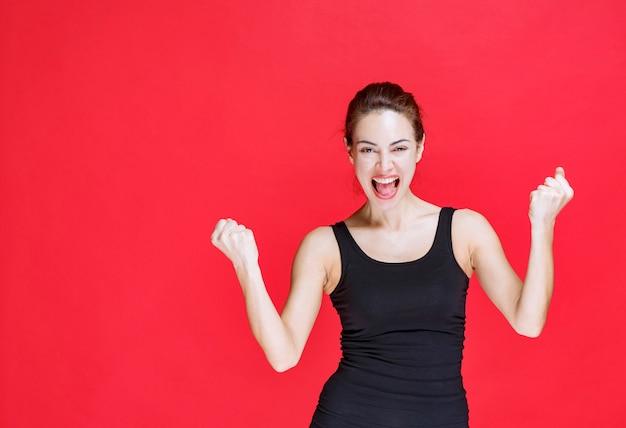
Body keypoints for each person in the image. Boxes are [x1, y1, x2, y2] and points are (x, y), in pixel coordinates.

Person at [211, 82, 574, 427]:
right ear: (350, 150)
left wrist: (543, 226)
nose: (384, 168)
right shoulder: (325, 246)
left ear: (419, 148)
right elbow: (283, 356)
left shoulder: (464, 230)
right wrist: (247, 266)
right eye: (369, 149)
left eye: (398, 148)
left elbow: (528, 323)